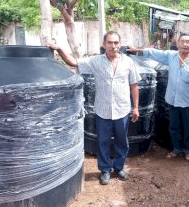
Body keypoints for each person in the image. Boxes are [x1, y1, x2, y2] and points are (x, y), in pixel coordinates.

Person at [46, 31, 141, 185]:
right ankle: (105, 170)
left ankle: (119, 167)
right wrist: (59, 49)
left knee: (122, 141)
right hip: (102, 110)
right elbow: (74, 62)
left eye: (116, 43)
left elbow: (134, 85)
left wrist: (136, 107)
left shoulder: (128, 62)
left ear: (120, 44)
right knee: (102, 141)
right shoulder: (95, 61)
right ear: (104, 45)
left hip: (122, 109)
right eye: (109, 42)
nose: (113, 46)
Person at [127, 32, 189, 161]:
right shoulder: (171, 56)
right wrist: (136, 50)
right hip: (172, 100)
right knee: (174, 126)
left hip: (188, 101)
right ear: (177, 44)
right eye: (182, 42)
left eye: (188, 42)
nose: (185, 44)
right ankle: (176, 149)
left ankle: (188, 150)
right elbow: (153, 53)